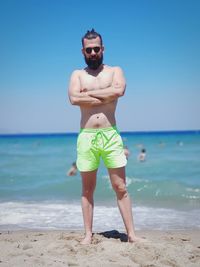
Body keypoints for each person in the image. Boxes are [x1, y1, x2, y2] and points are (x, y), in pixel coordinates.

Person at [68, 29, 140, 244]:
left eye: (96, 49)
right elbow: (73, 98)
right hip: (87, 136)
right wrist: (104, 94)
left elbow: (119, 91)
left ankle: (132, 235)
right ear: (83, 51)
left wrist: (87, 95)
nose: (93, 52)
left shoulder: (115, 70)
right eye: (88, 49)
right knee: (87, 189)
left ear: (103, 49)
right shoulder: (77, 75)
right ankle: (88, 235)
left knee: (120, 187)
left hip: (111, 134)